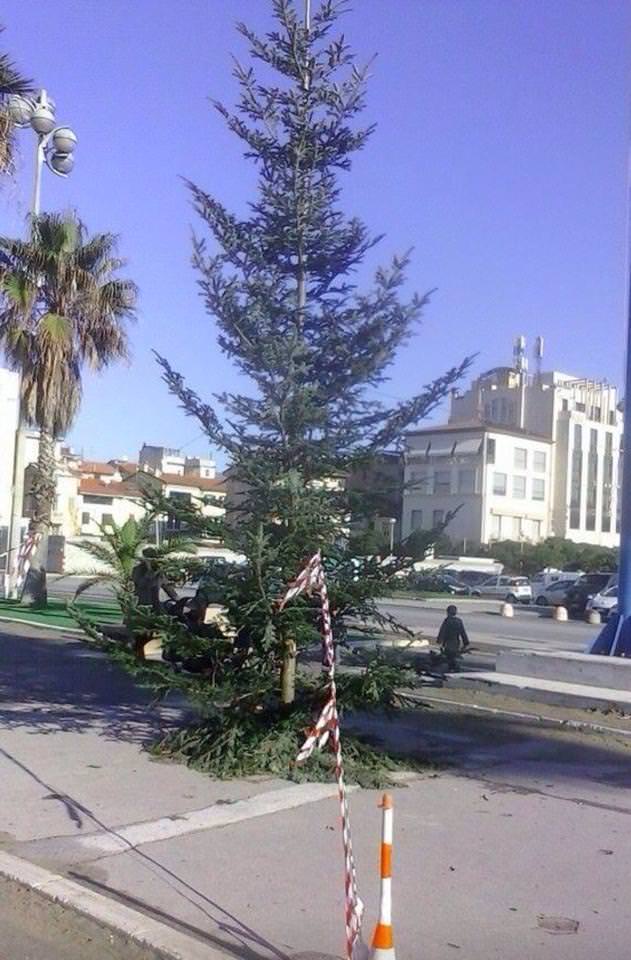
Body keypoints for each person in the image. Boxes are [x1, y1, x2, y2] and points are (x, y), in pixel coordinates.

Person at [130, 548, 178, 659]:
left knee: (163, 627)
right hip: (141, 607)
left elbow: (167, 587)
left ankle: (166, 652)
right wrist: (149, 571)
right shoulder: (137, 570)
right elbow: (141, 584)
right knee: (140, 633)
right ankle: (137, 653)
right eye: (149, 558)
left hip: (155, 606)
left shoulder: (159, 572)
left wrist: (177, 599)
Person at [437, 604, 470, 671]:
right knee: (453, 655)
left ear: (448, 612)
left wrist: (439, 641)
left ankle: (453, 668)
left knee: (448, 656)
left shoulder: (447, 621)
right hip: (456, 642)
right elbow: (463, 632)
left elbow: (442, 631)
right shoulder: (459, 621)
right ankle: (453, 667)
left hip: (448, 642)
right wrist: (466, 642)